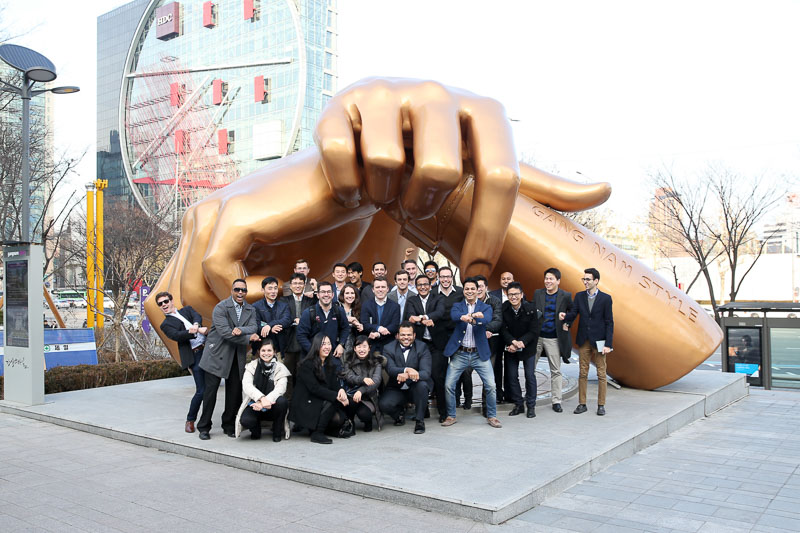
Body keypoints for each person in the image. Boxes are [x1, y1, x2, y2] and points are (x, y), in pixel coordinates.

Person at [197, 279, 260, 440]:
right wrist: (247, 338)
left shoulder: (250, 309)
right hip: (216, 355)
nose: (240, 293)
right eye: (237, 289)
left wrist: (241, 330)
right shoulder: (221, 307)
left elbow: (254, 327)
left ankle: (229, 425)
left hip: (236, 357)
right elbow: (225, 332)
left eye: (243, 290)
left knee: (234, 393)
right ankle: (204, 427)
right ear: (231, 290)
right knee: (210, 394)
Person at [442, 277, 501, 428]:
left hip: (479, 354)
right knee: (449, 384)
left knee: (491, 386)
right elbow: (454, 316)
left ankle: (492, 416)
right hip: (460, 354)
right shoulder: (458, 306)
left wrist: (473, 318)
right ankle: (451, 415)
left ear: (478, 290)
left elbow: (486, 319)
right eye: (467, 289)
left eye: (472, 289)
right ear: (464, 290)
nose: (469, 291)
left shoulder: (485, 307)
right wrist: (464, 317)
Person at [564, 267, 614, 416]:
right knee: (582, 373)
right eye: (584, 279)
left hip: (600, 341)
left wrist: (608, 344)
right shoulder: (579, 296)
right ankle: (582, 403)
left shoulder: (606, 298)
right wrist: (565, 317)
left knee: (601, 374)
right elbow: (574, 313)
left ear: (596, 281)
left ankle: (601, 405)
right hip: (584, 339)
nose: (585, 282)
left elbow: (609, 322)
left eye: (588, 279)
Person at [157, 291, 208, 433]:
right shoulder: (165, 324)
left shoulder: (187, 310)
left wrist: (196, 324)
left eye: (165, 301)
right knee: (201, 390)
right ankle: (190, 419)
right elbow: (177, 335)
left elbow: (197, 316)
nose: (164, 305)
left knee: (213, 387)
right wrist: (194, 331)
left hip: (208, 351)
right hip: (195, 355)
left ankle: (209, 421)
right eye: (160, 304)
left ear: (171, 300)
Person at [290, 334, 351, 444]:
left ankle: (313, 428)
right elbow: (314, 388)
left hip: (318, 400)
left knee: (340, 419)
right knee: (335, 401)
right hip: (306, 403)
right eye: (323, 344)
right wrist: (337, 396)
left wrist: (341, 390)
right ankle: (317, 433)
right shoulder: (307, 364)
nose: (327, 347)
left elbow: (334, 383)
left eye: (329, 344)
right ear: (316, 346)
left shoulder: (329, 364)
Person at [404, 274, 447, 421]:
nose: (423, 287)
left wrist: (422, 318)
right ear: (416, 287)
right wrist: (426, 319)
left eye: (425, 284)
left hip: (436, 345)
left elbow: (439, 313)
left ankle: (443, 412)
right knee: (419, 378)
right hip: (420, 346)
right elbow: (410, 317)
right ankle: (423, 411)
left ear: (430, 286)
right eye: (420, 285)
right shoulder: (412, 300)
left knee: (437, 377)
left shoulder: (438, 298)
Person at [532, 268, 573, 413]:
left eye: (551, 279)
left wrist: (567, 321)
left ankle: (556, 401)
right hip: (537, 337)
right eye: (546, 278)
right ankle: (530, 399)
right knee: (531, 369)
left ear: (558, 281)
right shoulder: (538, 293)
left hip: (554, 338)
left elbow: (572, 312)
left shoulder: (566, 296)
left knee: (555, 371)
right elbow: (532, 311)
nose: (548, 281)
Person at [380, 322, 432, 434]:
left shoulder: (422, 347)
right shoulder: (388, 348)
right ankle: (399, 415)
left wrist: (407, 375)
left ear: (414, 335)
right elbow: (391, 369)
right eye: (403, 335)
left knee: (422, 385)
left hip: (415, 386)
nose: (406, 338)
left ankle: (419, 421)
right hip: (396, 387)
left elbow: (426, 373)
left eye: (409, 335)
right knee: (384, 404)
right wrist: (407, 369)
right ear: (397, 336)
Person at [235, 340, 291, 441]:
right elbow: (247, 385)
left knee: (282, 402)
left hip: (272, 406)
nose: (266, 353)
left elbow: (280, 389)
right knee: (246, 421)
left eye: (269, 350)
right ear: (259, 352)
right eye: (263, 350)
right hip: (255, 405)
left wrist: (265, 402)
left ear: (274, 352)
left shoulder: (280, 368)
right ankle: (256, 430)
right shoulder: (251, 366)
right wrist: (261, 399)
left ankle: (277, 431)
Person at [501, 282, 540, 418]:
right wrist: (512, 342)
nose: (513, 297)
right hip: (511, 347)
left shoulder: (530, 308)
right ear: (507, 295)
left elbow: (534, 330)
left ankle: (531, 405)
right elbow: (502, 329)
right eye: (510, 294)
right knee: (511, 376)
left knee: (530, 376)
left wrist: (522, 342)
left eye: (516, 294)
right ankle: (518, 404)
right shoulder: (504, 308)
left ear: (521, 295)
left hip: (527, 347)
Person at [297, 281, 349, 367]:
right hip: (312, 357)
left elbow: (345, 328)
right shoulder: (309, 312)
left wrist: (341, 344)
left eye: (328, 292)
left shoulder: (339, 311)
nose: (326, 294)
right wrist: (314, 351)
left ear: (332, 295)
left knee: (336, 377)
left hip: (332, 355)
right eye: (323, 292)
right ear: (317, 295)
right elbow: (301, 336)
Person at [341, 335, 384, 432]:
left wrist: (361, 390)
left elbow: (376, 382)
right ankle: (350, 422)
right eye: (359, 346)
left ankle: (368, 423)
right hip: (352, 395)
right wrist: (362, 379)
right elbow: (349, 377)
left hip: (369, 397)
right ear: (354, 349)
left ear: (369, 348)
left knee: (364, 414)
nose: (362, 349)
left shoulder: (376, 362)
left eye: (364, 346)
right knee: (351, 401)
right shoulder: (348, 362)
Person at [283, 272, 316, 397]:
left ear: (304, 285)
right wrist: (293, 320)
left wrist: (301, 321)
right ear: (290, 286)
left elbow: (313, 317)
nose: (297, 286)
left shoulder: (311, 300)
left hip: (306, 345)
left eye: (300, 283)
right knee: (288, 376)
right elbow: (284, 318)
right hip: (289, 344)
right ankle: (288, 405)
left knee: (303, 376)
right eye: (295, 283)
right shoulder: (284, 300)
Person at [475, 275, 504, 414]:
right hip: (470, 344)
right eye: (476, 286)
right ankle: (466, 400)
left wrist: (485, 329)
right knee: (465, 373)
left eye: (481, 286)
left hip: (490, 344)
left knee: (488, 376)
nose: (478, 289)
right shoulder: (468, 301)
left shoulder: (494, 301)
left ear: (486, 287)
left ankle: (486, 407)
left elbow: (497, 320)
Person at [252, 276, 291, 356]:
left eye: (275, 288)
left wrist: (270, 325)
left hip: (280, 347)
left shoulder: (284, 306)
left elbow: (287, 320)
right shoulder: (255, 306)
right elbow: (256, 324)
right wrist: (270, 328)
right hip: (262, 347)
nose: (273, 291)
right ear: (263, 290)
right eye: (270, 288)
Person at [361, 277, 401, 353]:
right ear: (373, 290)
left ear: (387, 289)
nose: (380, 289)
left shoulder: (395, 306)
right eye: (377, 287)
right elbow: (365, 324)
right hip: (370, 345)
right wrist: (378, 328)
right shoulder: (366, 305)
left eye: (383, 287)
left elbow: (395, 326)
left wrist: (378, 334)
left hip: (389, 345)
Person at [338, 283, 364, 359]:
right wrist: (347, 319)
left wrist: (359, 325)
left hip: (353, 343)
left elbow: (362, 327)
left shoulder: (358, 309)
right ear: (342, 295)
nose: (350, 296)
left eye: (352, 293)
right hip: (338, 341)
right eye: (347, 293)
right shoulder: (336, 306)